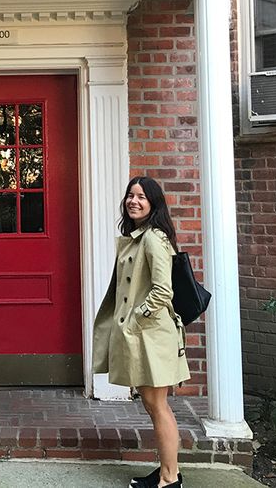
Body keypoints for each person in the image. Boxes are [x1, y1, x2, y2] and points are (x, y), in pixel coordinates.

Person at [93, 176, 190, 488]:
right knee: (153, 404)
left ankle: (170, 479)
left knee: (157, 405)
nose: (133, 201)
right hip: (146, 335)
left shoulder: (153, 238)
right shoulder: (140, 236)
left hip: (153, 336)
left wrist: (135, 317)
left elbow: (163, 291)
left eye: (141, 197)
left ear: (154, 203)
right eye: (130, 196)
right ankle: (166, 471)